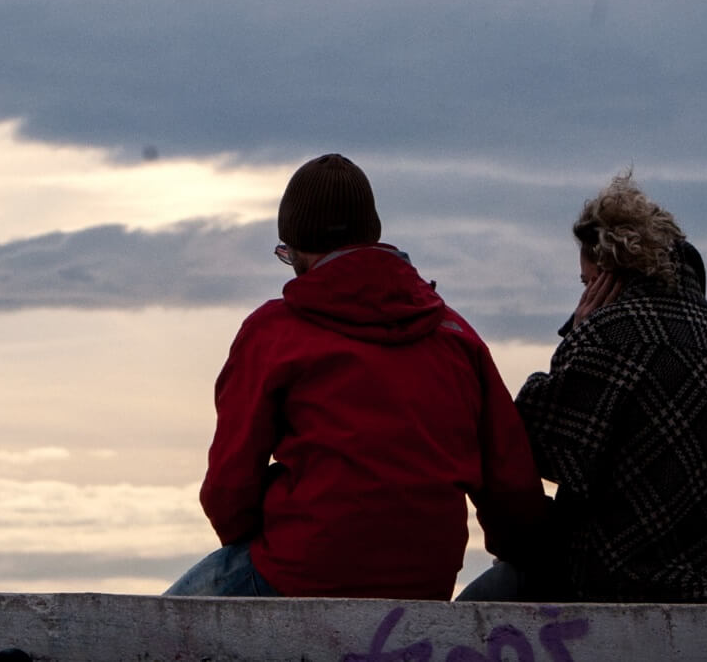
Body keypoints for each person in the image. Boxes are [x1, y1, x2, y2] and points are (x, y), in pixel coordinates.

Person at [166, 154, 548, 599]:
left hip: (299, 572)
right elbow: (512, 486)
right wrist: (516, 549)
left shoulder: (274, 332)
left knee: (149, 633)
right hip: (426, 581)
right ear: (373, 233)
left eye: (287, 254)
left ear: (299, 249)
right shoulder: (457, 336)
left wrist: (271, 522)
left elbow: (229, 491)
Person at [459, 173, 707, 603]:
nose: (582, 298)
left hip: (613, 579)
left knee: (469, 615)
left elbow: (533, 444)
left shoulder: (611, 334)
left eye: (586, 283)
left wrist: (577, 336)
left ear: (607, 275)